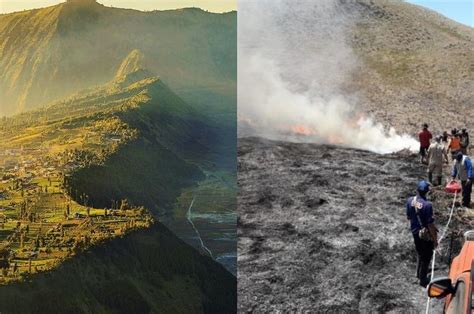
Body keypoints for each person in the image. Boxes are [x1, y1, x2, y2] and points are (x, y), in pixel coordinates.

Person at [406, 180, 438, 287]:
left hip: (415, 233)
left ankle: (418, 274)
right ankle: (423, 279)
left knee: (419, 252)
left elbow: (409, 217)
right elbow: (430, 225)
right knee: (427, 256)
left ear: (417, 190)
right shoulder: (428, 205)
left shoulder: (410, 200)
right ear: (427, 192)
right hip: (425, 235)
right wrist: (435, 240)